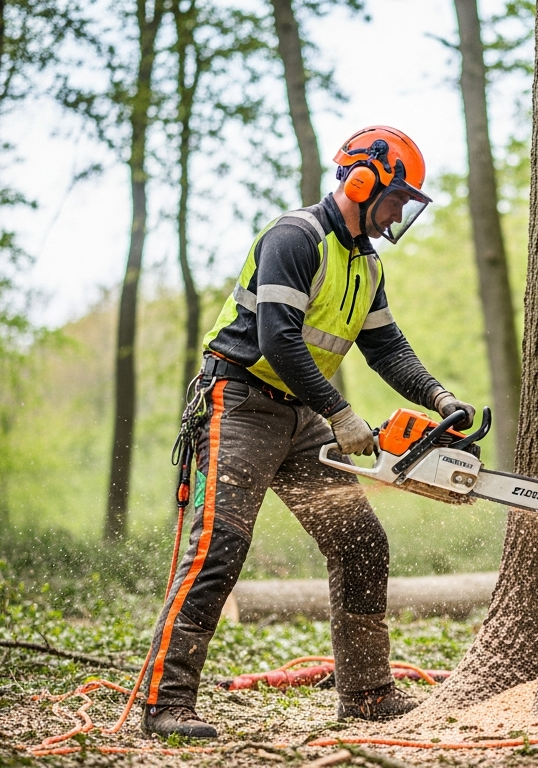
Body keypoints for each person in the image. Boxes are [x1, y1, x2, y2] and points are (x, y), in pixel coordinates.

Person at [140, 126, 475, 738]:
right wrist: (341, 416)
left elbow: (386, 347)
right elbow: (278, 338)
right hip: (240, 401)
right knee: (220, 546)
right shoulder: (295, 237)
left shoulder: (365, 264)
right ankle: (166, 701)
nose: (399, 211)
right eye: (397, 197)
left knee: (360, 543)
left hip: (299, 415)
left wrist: (438, 397)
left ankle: (369, 696)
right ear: (362, 180)